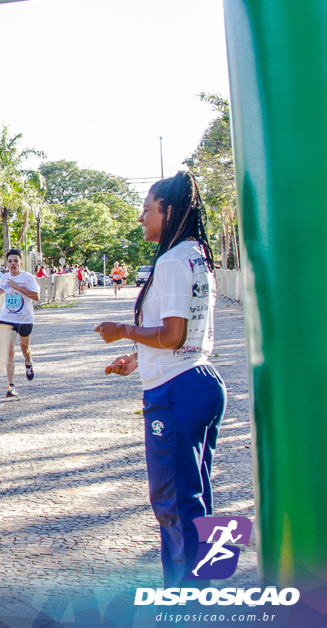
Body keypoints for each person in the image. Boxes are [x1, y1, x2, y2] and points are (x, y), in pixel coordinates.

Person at [96, 172, 226, 588]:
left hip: (176, 392)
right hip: (200, 380)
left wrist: (125, 330)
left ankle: (187, 597)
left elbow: (173, 335)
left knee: (172, 501)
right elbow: (182, 337)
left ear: (169, 212)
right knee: (197, 496)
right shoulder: (196, 255)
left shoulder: (171, 262)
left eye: (147, 209)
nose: (141, 218)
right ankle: (208, 588)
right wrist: (137, 358)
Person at [0, 249, 39, 397]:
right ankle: (11, 385)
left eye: (15, 261)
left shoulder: (28, 278)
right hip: (7, 318)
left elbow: (36, 296)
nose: (12, 264)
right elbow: (2, 290)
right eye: (10, 261)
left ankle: (28, 362)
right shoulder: (5, 277)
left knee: (25, 349)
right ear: (7, 263)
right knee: (9, 350)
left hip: (25, 319)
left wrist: (18, 287)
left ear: (20, 262)